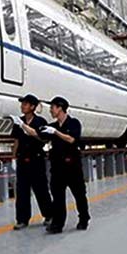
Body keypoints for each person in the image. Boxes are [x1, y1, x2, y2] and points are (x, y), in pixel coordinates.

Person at [40, 96, 90, 233]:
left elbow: (72, 139)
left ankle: (84, 219)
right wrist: (23, 125)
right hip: (57, 167)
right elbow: (39, 135)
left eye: (52, 107)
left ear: (60, 108)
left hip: (72, 166)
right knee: (57, 197)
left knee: (79, 195)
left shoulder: (74, 123)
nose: (50, 110)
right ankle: (57, 224)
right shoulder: (53, 125)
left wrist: (56, 132)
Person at [9, 94, 52, 230]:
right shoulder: (18, 122)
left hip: (36, 159)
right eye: (22, 104)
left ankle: (49, 215)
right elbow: (16, 141)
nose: (22, 106)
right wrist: (14, 157)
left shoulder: (40, 121)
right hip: (22, 159)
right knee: (22, 191)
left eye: (25, 104)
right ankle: (22, 219)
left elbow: (44, 139)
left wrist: (26, 128)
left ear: (33, 107)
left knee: (41, 189)